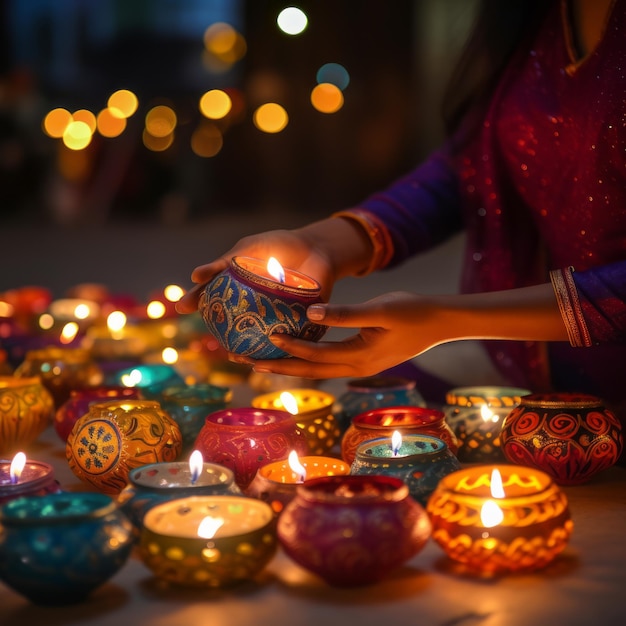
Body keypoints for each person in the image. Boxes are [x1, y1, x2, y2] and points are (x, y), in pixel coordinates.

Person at [177, 0, 625, 431]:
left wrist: (448, 320)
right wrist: (324, 244)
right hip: (529, 374)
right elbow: (469, 168)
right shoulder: (536, 15)